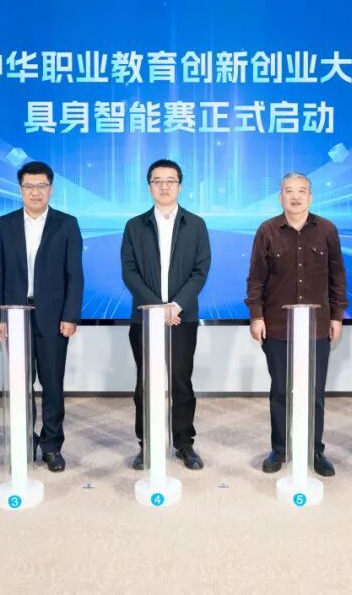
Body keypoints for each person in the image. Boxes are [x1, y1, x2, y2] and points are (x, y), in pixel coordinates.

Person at [245, 172, 347, 477]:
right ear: (280, 197)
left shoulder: (327, 230)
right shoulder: (267, 230)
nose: (295, 196)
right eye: (289, 191)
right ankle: (280, 448)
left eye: (302, 191)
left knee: (314, 393)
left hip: (317, 326)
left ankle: (315, 450)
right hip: (277, 326)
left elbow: (337, 277)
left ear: (310, 197)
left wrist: (337, 317)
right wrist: (256, 316)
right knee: (281, 391)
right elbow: (256, 278)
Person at [0, 161, 83, 473]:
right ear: (20, 189)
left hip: (54, 317)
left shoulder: (66, 224)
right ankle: (24, 441)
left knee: (52, 384)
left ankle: (52, 446)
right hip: (14, 316)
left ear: (51, 189)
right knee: (20, 384)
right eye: (29, 186)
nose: (35, 192)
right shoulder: (5, 224)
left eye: (41, 186)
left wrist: (71, 315)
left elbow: (74, 275)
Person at [121, 159, 211, 471]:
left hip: (182, 318)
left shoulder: (195, 224)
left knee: (181, 382)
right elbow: (129, 272)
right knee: (145, 384)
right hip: (144, 318)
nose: (164, 186)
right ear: (149, 187)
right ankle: (146, 444)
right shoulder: (135, 225)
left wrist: (177, 305)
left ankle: (184, 443)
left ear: (179, 186)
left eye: (170, 180)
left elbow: (200, 271)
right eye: (157, 181)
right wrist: (157, 308)